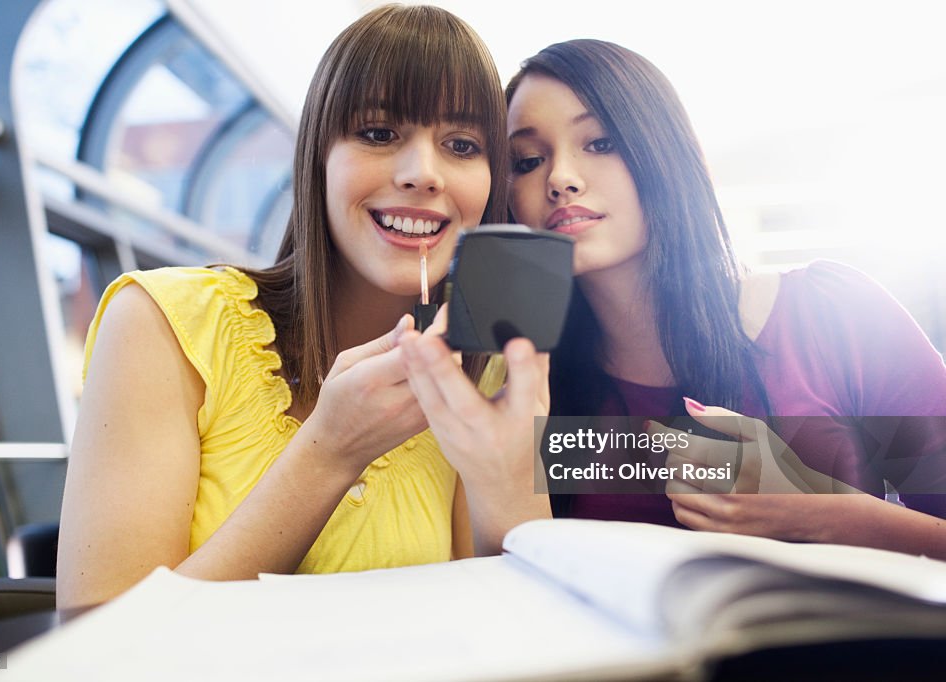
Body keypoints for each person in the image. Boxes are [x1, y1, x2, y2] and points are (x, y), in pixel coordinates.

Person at [56, 4, 549, 610]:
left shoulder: (485, 374)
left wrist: (513, 471)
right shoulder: (163, 322)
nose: (424, 173)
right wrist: (330, 451)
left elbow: (514, 628)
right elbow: (98, 647)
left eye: (461, 144)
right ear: (318, 157)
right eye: (378, 133)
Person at [402, 38, 946, 559]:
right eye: (527, 161)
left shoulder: (836, 315)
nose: (561, 179)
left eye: (601, 143)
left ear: (664, 152)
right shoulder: (523, 387)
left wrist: (817, 513)